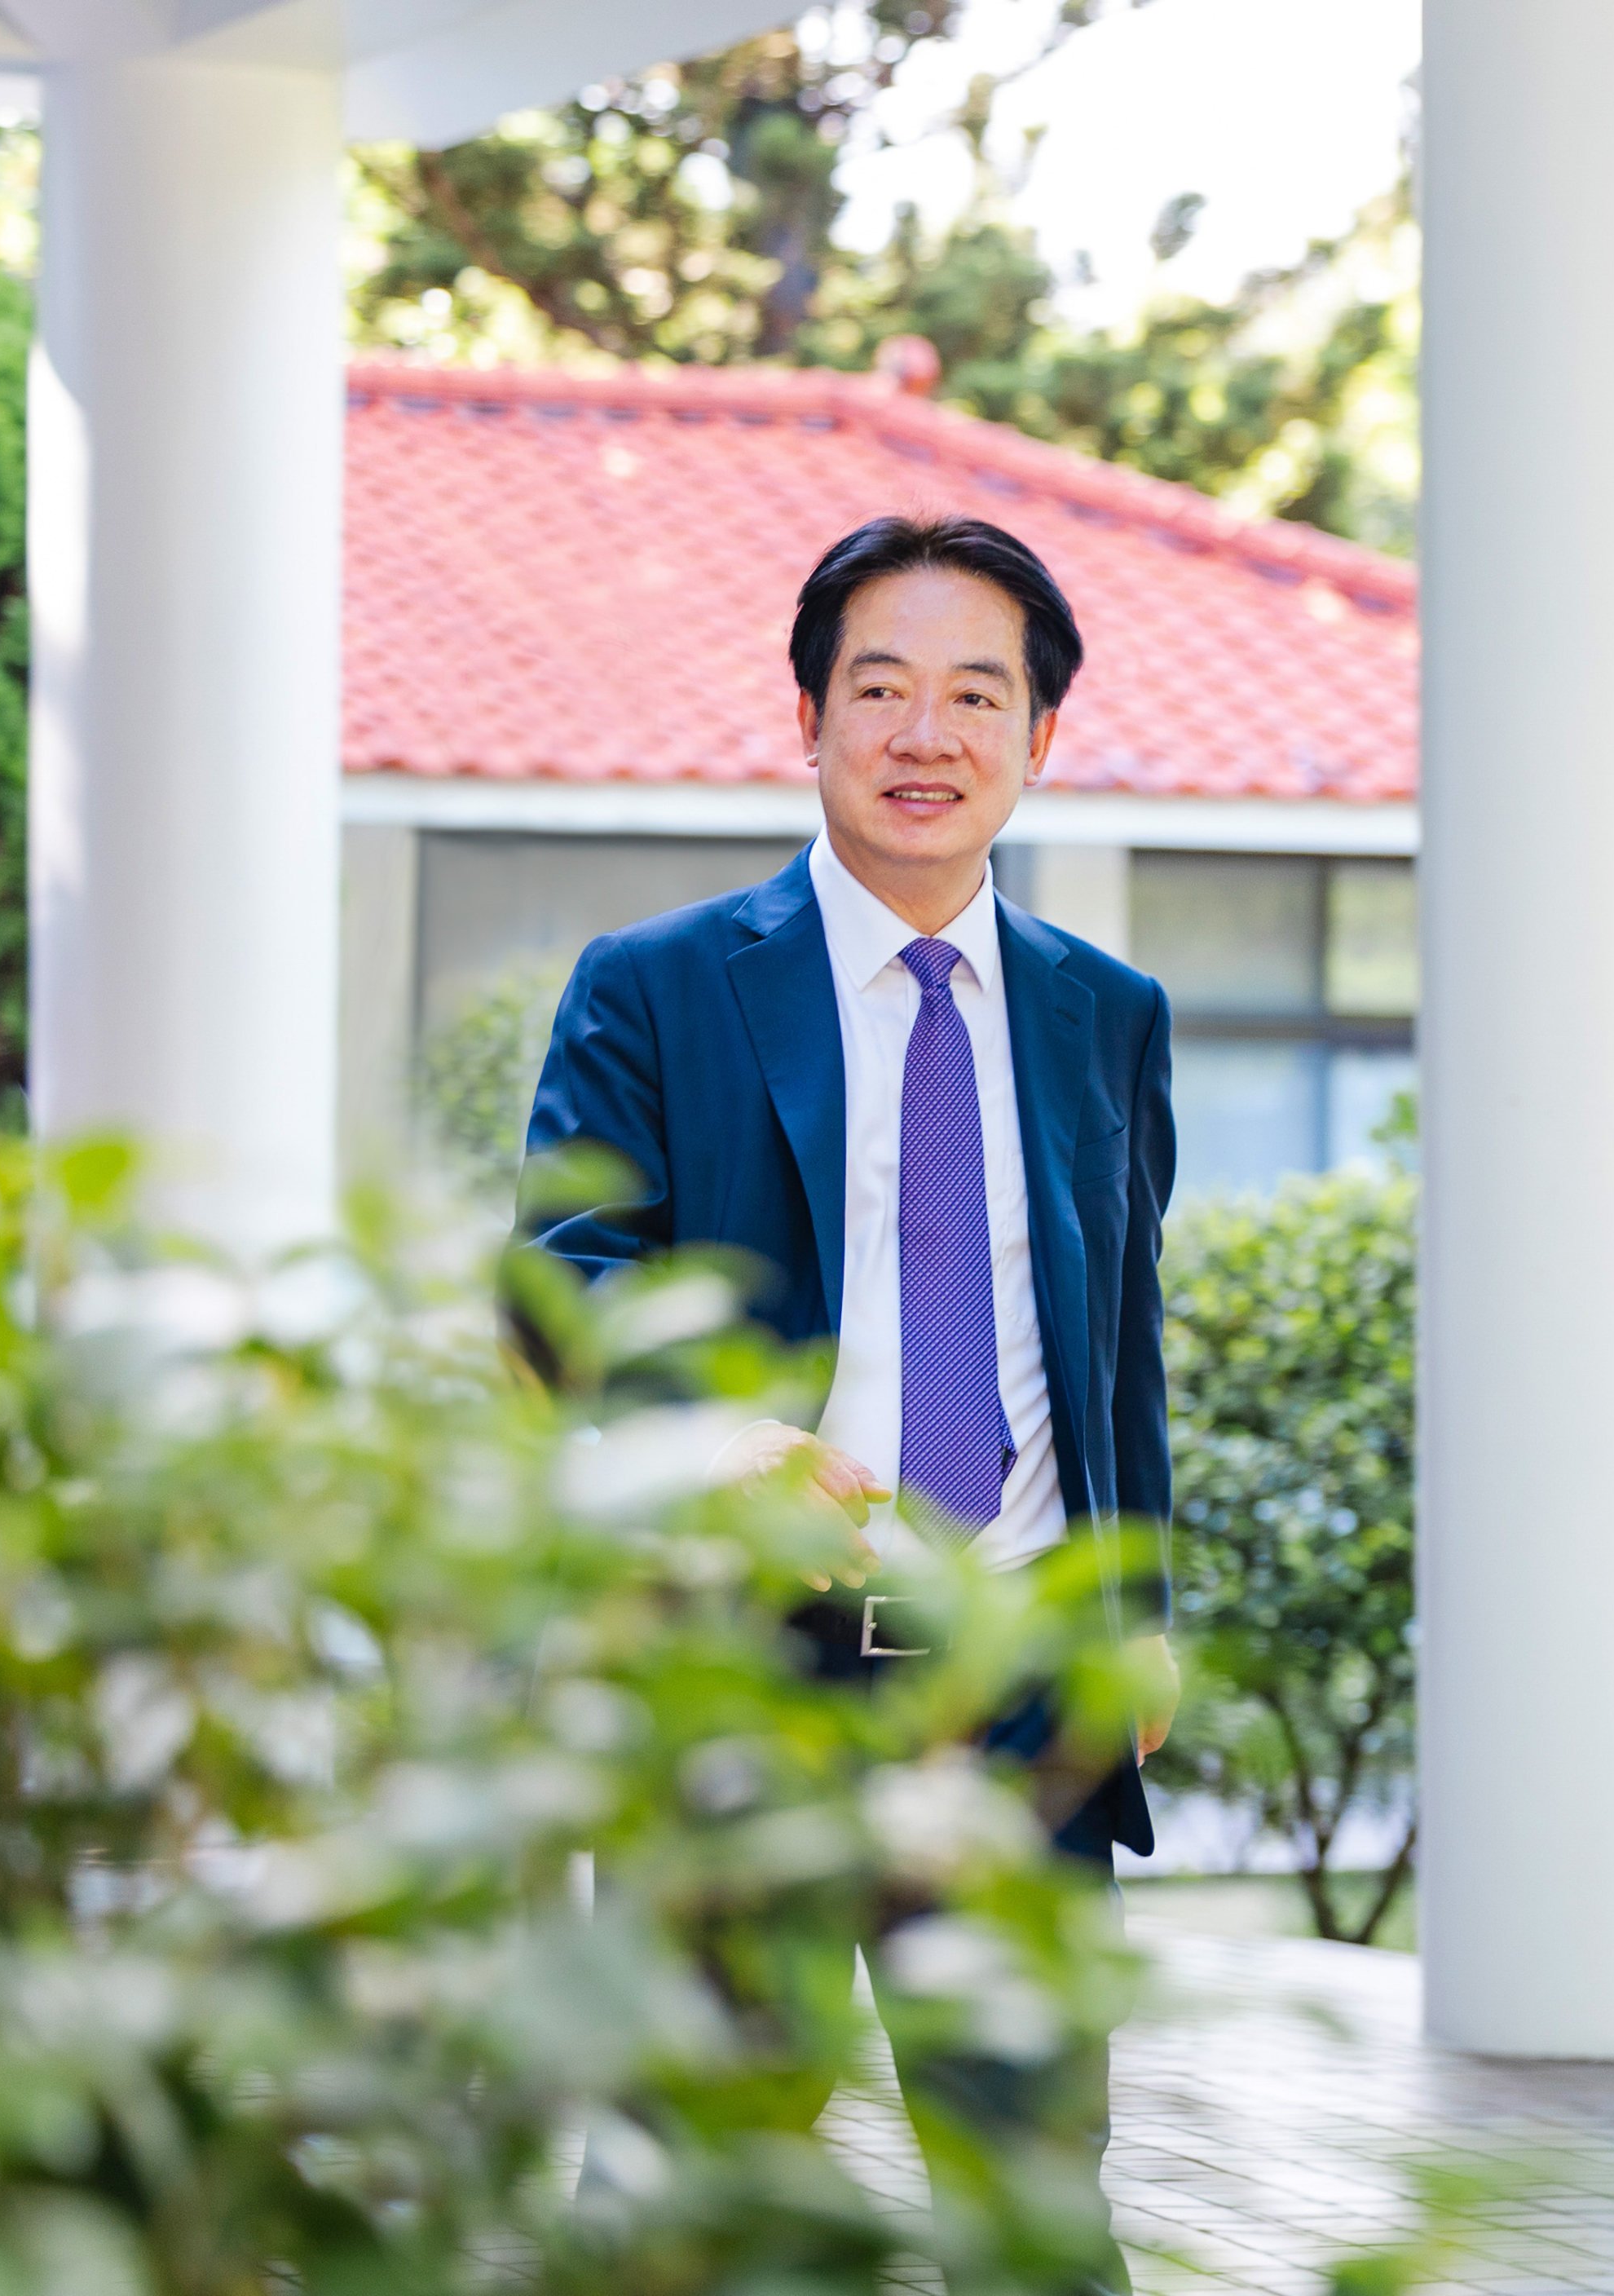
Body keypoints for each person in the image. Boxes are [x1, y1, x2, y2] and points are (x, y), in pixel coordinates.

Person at [521, 513, 1175, 2293]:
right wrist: (697, 1435)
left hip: (1019, 1682)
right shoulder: (658, 989)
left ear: (1040, 739)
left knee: (1038, 2216)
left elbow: (1117, 1338)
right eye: (878, 687)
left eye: (979, 694)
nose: (924, 733)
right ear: (804, 716)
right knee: (681, 2200)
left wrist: (1144, 1619)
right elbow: (564, 1272)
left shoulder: (1106, 1012)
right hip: (749, 1675)